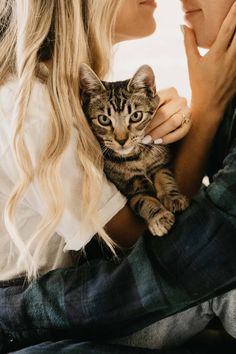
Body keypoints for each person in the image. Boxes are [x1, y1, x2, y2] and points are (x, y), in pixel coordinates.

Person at [0, 0, 235, 352]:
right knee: (217, 273)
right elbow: (135, 238)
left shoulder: (66, 88)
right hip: (33, 307)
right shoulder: (30, 105)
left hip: (71, 285)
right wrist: (207, 110)